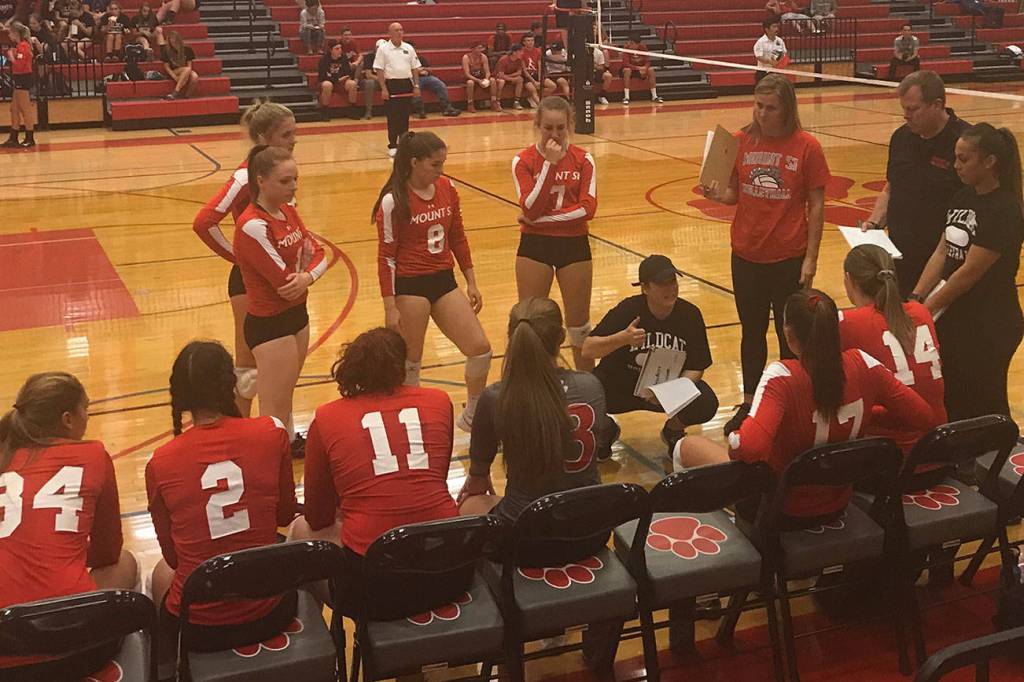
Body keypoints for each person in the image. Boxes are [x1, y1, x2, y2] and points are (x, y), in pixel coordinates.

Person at [674, 289, 932, 523]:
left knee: (685, 447)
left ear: (788, 335)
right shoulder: (863, 363)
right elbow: (922, 417)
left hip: (779, 509)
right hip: (837, 503)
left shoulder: (782, 376)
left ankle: (725, 540)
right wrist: (863, 416)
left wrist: (735, 438)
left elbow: (749, 449)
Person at [289, 327, 465, 617]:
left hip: (375, 589)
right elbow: (433, 481)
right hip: (449, 572)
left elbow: (317, 516)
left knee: (300, 531)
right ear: (401, 366)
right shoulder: (438, 401)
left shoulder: (327, 416)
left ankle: (315, 649)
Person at [147, 341, 298, 655]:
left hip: (198, 627)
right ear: (231, 384)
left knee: (160, 573)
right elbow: (284, 516)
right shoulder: (271, 432)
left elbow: (175, 559)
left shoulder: (160, 461)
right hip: (271, 612)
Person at [700, 74, 830, 436]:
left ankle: (793, 399)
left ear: (787, 108)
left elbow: (817, 207)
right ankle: (749, 401)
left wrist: (811, 259)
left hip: (788, 257)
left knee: (789, 334)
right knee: (751, 332)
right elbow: (732, 195)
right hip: (746, 255)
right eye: (758, 106)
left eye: (770, 107)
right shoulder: (739, 142)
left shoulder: (807, 147)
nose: (762, 114)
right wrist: (715, 194)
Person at [0, 372, 138, 679]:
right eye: (85, 409)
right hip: (75, 648)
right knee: (126, 563)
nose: (88, 417)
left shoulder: (4, 459)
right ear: (67, 419)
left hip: (4, 650)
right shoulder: (92, 454)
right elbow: (107, 553)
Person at [458, 298, 615, 534]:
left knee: (469, 504)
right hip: (589, 530)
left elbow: (477, 478)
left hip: (527, 536)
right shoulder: (591, 385)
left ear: (512, 339)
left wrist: (478, 479)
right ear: (561, 338)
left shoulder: (495, 397)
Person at [373, 131, 491, 431]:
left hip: (443, 280)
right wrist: (390, 306)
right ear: (414, 163)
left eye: (443, 164)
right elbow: (385, 256)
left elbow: (457, 237)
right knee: (411, 361)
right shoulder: (393, 200)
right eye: (435, 164)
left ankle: (473, 414)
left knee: (480, 348)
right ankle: (411, 421)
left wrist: (471, 281)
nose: (441, 170)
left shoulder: (447, 188)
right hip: (410, 284)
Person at [193, 100, 297, 420]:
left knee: (282, 366)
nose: (293, 140)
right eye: (286, 135)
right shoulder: (244, 177)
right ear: (264, 138)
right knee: (248, 364)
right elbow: (204, 222)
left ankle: (286, 433)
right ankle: (239, 429)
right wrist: (240, 258)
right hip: (251, 282)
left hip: (280, 278)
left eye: (295, 133)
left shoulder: (282, 171)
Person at [912, 123, 1024, 421]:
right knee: (954, 393)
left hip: (990, 321)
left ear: (989, 162)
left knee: (985, 398)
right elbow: (941, 252)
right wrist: (917, 296)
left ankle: (997, 458)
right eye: (955, 157)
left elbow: (970, 271)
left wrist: (927, 309)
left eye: (964, 159)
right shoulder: (963, 197)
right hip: (957, 315)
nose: (956, 165)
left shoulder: (1005, 208)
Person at [234, 145, 327, 455]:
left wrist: (306, 277)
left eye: (295, 180)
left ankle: (285, 448)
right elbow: (283, 283)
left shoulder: (288, 211)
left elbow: (322, 254)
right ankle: (267, 468)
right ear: (261, 180)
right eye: (286, 181)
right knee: (273, 411)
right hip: (270, 325)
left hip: (297, 316)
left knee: (285, 399)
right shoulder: (252, 225)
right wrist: (304, 274)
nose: (294, 187)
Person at [583, 255, 719, 455]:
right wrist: (622, 338)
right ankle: (605, 428)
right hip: (622, 386)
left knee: (705, 401)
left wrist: (672, 391)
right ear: (645, 288)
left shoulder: (690, 314)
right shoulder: (628, 309)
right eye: (662, 283)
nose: (670, 288)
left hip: (664, 387)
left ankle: (673, 429)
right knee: (586, 393)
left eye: (672, 281)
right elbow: (588, 348)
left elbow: (697, 366)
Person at [860, 71, 970, 296]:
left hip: (944, 264)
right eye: (903, 109)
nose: (906, 116)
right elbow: (891, 188)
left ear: (937, 105)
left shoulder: (963, 143)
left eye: (912, 109)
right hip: (900, 259)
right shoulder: (901, 138)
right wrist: (874, 223)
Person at [512, 96, 598, 371]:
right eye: (548, 127)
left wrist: (538, 221)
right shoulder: (523, 160)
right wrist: (549, 164)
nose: (555, 134)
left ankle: (589, 390)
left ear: (570, 125)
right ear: (538, 125)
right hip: (534, 246)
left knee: (579, 326)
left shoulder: (584, 160)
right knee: (530, 324)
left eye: (561, 128)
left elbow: (587, 209)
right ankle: (533, 386)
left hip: (574, 245)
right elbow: (530, 207)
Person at [840, 244, 945, 452]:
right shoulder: (921, 312)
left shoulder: (847, 322)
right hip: (938, 448)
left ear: (848, 280)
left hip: (887, 459)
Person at [374, 22, 420, 158]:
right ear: (390, 33)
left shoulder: (409, 48)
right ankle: (393, 145)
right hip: (391, 84)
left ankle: (404, 144)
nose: (400, 32)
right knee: (393, 117)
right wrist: (383, 89)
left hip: (406, 84)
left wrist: (416, 86)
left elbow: (415, 68)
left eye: (401, 30)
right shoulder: (383, 49)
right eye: (396, 30)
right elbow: (379, 70)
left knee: (405, 116)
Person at [2, 22, 36, 148]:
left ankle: (29, 137)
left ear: (16, 33)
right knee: (14, 108)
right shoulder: (20, 46)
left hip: (23, 78)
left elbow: (20, 65)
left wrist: (11, 58)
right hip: (19, 78)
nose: (9, 35)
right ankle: (13, 137)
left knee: (25, 108)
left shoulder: (23, 46)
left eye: (10, 33)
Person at [411, 47, 461, 118]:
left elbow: (430, 70)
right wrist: (418, 71)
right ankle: (420, 110)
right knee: (416, 88)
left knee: (440, 85)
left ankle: (446, 108)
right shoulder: (404, 60)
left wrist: (422, 69)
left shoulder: (421, 58)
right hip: (414, 78)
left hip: (426, 77)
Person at [318, 40, 357, 117]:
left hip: (341, 81)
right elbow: (323, 76)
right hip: (329, 82)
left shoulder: (344, 58)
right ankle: (324, 110)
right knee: (327, 85)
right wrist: (337, 79)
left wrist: (341, 78)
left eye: (340, 48)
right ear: (330, 50)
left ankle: (353, 109)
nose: (340, 50)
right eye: (337, 49)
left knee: (352, 84)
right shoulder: (324, 59)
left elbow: (348, 73)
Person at [621, 31, 662, 104]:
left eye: (632, 43)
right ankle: (626, 97)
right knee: (627, 70)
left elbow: (648, 61)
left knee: (651, 70)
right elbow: (625, 63)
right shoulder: (626, 48)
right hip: (631, 69)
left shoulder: (643, 47)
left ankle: (654, 96)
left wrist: (645, 68)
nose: (630, 44)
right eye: (629, 42)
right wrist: (638, 68)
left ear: (638, 44)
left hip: (641, 68)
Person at [495, 43, 534, 111]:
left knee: (520, 79)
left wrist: (508, 76)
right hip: (497, 77)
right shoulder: (504, 59)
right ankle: (497, 102)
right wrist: (511, 77)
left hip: (508, 76)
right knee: (501, 82)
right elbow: (500, 75)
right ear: (514, 52)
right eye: (521, 51)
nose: (522, 53)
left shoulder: (519, 60)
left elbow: (519, 72)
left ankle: (516, 101)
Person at [160, 30, 197, 99]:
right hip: (174, 71)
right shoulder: (166, 51)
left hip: (185, 70)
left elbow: (189, 65)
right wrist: (175, 77)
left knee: (194, 77)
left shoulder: (187, 49)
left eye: (175, 41)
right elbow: (167, 68)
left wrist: (186, 76)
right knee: (187, 69)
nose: (174, 44)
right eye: (172, 42)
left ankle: (187, 96)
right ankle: (175, 92)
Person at [462, 40, 497, 112]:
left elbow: (487, 71)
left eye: (481, 48)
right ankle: (470, 104)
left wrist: (486, 79)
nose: (481, 50)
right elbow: (467, 74)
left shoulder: (483, 57)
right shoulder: (466, 57)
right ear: (473, 49)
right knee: (470, 83)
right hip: (471, 78)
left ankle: (493, 101)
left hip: (481, 77)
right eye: (478, 48)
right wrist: (478, 81)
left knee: (492, 80)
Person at [520, 34, 543, 108]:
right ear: (524, 42)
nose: (530, 42)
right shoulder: (521, 52)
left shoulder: (538, 51)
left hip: (537, 74)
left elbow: (540, 66)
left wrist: (539, 80)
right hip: (527, 76)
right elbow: (524, 70)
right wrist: (534, 82)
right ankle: (542, 107)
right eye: (528, 40)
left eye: (532, 40)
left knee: (552, 85)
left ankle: (533, 98)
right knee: (533, 90)